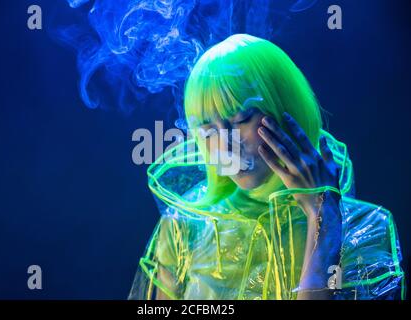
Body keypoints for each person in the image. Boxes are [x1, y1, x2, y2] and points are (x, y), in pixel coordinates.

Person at [128, 34, 405, 300]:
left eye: (241, 119)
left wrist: (323, 220)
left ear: (288, 111)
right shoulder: (185, 227)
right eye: (208, 130)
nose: (225, 145)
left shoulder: (367, 226)